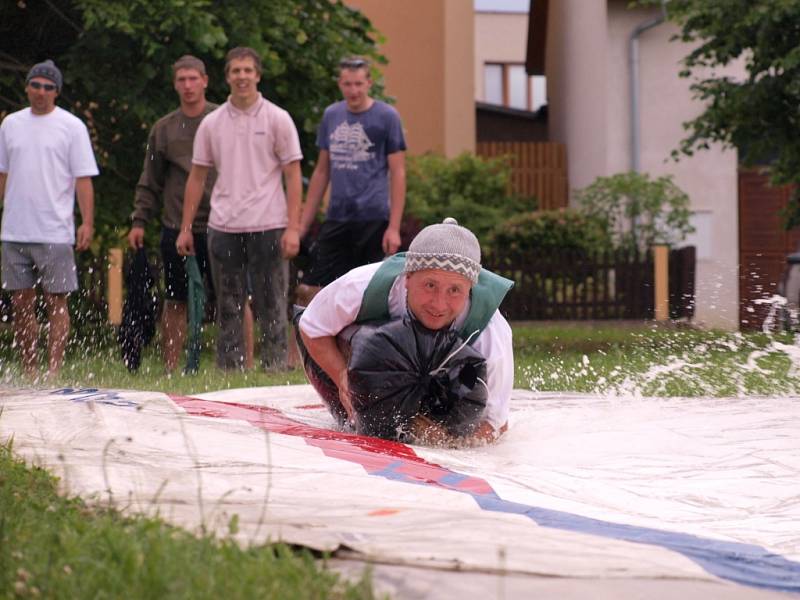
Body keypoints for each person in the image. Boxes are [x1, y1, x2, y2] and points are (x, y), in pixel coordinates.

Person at [298, 218, 514, 445]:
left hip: (438, 384)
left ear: (470, 287)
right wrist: (341, 374)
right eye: (430, 285)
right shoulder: (363, 286)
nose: (439, 305)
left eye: (454, 290)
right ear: (408, 277)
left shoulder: (490, 332)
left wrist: (447, 443)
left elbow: (496, 423)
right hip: (359, 364)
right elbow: (311, 324)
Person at [176, 47, 303, 371]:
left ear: (257, 75)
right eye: (236, 71)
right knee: (228, 303)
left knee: (272, 301)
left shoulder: (277, 118)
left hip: (269, 222)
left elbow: (292, 174)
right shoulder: (212, 123)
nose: (242, 76)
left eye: (248, 70)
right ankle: (230, 368)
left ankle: (274, 367)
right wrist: (186, 227)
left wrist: (293, 227)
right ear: (227, 76)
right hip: (224, 225)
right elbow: (197, 176)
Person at [0, 59, 98, 377]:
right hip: (15, 230)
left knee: (57, 301)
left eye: (48, 87)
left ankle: (53, 369)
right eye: (36, 85)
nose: (41, 91)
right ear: (27, 87)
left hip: (55, 230)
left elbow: (83, 179)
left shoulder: (72, 127)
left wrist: (87, 222)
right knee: (20, 303)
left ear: (56, 92)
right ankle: (30, 368)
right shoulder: (10, 125)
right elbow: (3, 173)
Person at [127, 55, 222, 372]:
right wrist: (139, 220)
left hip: (224, 223)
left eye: (193, 78)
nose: (188, 85)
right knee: (176, 298)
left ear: (205, 80)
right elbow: (149, 179)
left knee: (233, 299)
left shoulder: (223, 120)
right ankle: (171, 368)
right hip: (176, 224)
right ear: (174, 84)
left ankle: (238, 366)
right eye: (181, 79)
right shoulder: (164, 128)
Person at [294, 56, 407, 307]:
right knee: (310, 288)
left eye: (358, 84)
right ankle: (301, 346)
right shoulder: (332, 115)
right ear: (340, 84)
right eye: (347, 84)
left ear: (368, 83)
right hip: (338, 216)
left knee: (368, 292)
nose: (353, 90)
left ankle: (361, 345)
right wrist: (302, 225)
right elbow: (322, 171)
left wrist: (394, 227)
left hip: (373, 217)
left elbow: (398, 172)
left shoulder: (387, 117)